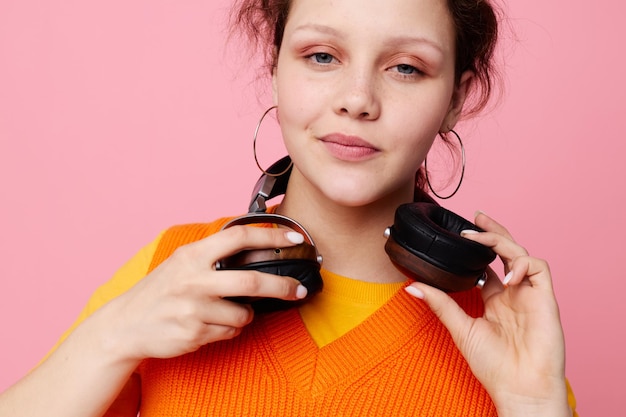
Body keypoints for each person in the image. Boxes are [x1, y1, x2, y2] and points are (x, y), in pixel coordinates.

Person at [0, 0, 578, 415]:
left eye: (406, 67)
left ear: (455, 99)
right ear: (274, 71)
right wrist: (113, 337)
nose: (357, 99)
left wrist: (534, 404)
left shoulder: (505, 340)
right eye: (322, 56)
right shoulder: (173, 268)